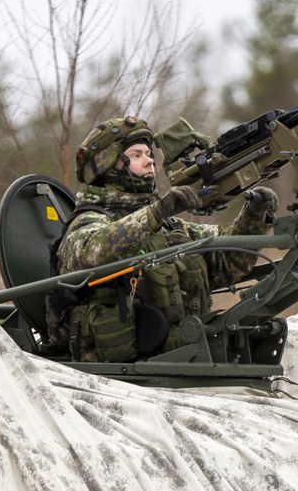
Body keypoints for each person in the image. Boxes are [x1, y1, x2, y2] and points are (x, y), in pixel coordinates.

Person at [55, 115, 278, 363]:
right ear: (108, 165)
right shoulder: (88, 220)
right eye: (137, 154)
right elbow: (90, 252)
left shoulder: (168, 225)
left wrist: (254, 216)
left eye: (149, 153)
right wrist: (158, 212)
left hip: (187, 361)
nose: (150, 160)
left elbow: (228, 261)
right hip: (121, 377)